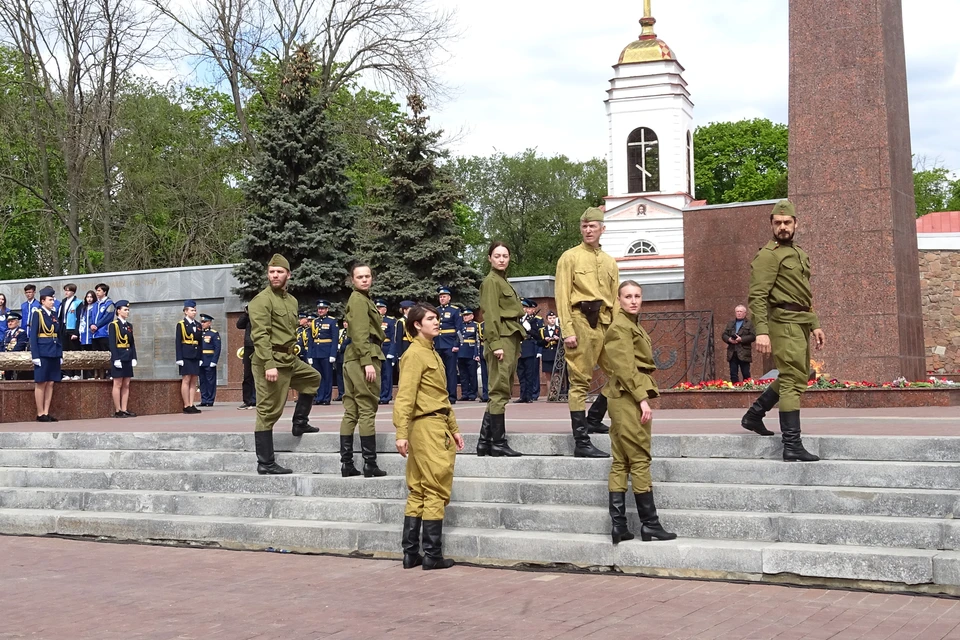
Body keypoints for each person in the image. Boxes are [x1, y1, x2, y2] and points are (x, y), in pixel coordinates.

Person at [741, 200, 825, 462]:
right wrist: (762, 331)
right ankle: (792, 444)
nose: (783, 227)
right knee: (791, 379)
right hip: (783, 322)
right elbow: (757, 296)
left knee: (799, 376)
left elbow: (803, 294)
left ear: (796, 223)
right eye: (778, 223)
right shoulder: (768, 255)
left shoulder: (799, 253)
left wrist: (815, 324)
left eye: (787, 222)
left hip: (800, 321)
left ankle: (754, 415)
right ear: (771, 225)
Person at [602, 280, 676, 544]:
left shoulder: (631, 325)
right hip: (628, 396)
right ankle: (650, 524)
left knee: (621, 461)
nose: (633, 300)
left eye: (637, 296)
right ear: (618, 300)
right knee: (640, 459)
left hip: (625, 395)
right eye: (627, 296)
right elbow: (624, 367)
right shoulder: (620, 327)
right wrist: (642, 399)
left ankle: (620, 527)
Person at [395, 303, 465, 571]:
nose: (437, 322)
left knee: (419, 489)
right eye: (431, 319)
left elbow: (441, 396)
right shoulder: (415, 354)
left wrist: (455, 428)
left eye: (437, 318)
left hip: (434, 424)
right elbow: (406, 396)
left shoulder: (431, 353)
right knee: (434, 487)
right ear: (417, 325)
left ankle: (411, 553)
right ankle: (432, 555)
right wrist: (401, 432)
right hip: (427, 427)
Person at [248, 254, 322, 474]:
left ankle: (299, 422)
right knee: (268, 411)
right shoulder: (261, 300)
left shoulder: (291, 301)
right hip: (269, 362)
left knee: (313, 379)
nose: (275, 275)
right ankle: (265, 463)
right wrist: (269, 364)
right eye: (271, 272)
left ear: (288, 275)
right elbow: (260, 335)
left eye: (279, 272)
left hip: (289, 359)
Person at [554, 207, 618, 458]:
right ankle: (581, 440)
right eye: (584, 226)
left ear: (603, 228)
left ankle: (594, 418)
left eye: (593, 226)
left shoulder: (610, 261)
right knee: (580, 381)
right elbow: (561, 296)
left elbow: (614, 297)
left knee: (618, 374)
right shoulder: (569, 257)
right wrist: (567, 329)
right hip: (580, 320)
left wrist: (617, 330)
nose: (588, 230)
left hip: (605, 322)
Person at [340, 264, 387, 478]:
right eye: (360, 277)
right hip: (363, 355)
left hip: (353, 356)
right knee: (367, 408)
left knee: (351, 410)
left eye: (367, 276)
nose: (365, 280)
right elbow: (360, 332)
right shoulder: (359, 300)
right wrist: (367, 360)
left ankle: (347, 463)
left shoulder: (361, 299)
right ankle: (370, 463)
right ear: (352, 280)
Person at [476, 241, 522, 457]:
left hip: (510, 336)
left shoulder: (503, 281)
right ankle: (498, 443)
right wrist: (495, 344)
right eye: (497, 255)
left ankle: (485, 442)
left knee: (501, 390)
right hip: (501, 338)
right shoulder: (491, 282)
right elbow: (491, 315)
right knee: (499, 391)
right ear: (489, 258)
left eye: (505, 255)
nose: (502, 259)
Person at [29, 287, 61, 422]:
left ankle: (47, 412)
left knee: (51, 383)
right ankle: (40, 413)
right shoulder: (38, 314)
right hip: (42, 352)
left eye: (53, 299)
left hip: (54, 352)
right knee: (41, 383)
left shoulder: (53, 315)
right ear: (43, 301)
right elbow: (33, 336)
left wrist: (60, 355)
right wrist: (35, 355)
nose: (52, 301)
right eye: (50, 299)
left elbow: (58, 336)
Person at [108, 300, 138, 418]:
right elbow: (112, 343)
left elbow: (132, 343)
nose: (127, 312)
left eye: (128, 309)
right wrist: (116, 358)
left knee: (126, 383)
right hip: (119, 356)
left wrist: (134, 357)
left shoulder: (129, 326)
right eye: (125, 309)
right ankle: (118, 409)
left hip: (127, 356)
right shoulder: (114, 325)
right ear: (118, 311)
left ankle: (124, 409)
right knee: (118, 383)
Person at [433, 287, 463, 403]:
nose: (442, 298)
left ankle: (452, 396)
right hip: (438, 344)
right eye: (440, 297)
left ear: (449, 298)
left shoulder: (455, 310)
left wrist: (456, 344)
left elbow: (459, 330)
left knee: (450, 371)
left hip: (450, 345)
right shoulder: (436, 311)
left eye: (444, 296)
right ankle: (441, 395)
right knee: (439, 372)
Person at [175, 300, 203, 414]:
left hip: (195, 355)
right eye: (192, 310)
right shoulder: (181, 324)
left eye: (195, 310)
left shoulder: (198, 325)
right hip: (186, 355)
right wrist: (179, 358)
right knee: (186, 379)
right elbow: (178, 342)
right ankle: (186, 405)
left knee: (194, 380)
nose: (194, 312)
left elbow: (200, 342)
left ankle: (192, 404)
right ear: (186, 311)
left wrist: (201, 357)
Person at [310, 300, 338, 405]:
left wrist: (333, 354)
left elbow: (335, 339)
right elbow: (311, 339)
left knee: (327, 376)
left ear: (327, 310)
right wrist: (310, 355)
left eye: (322, 309)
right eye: (319, 309)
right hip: (316, 352)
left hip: (327, 352)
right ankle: (319, 397)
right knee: (318, 376)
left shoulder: (332, 321)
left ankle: (326, 398)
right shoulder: (315, 321)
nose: (320, 311)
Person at [516, 299, 543, 403]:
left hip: (529, 348)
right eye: (523, 307)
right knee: (521, 374)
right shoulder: (517, 320)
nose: (524, 309)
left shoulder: (534, 320)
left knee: (529, 374)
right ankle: (522, 396)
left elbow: (538, 336)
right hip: (519, 348)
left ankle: (529, 396)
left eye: (526, 307)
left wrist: (529, 329)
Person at [722, 305, 756, 382]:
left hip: (744, 352)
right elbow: (724, 335)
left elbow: (753, 336)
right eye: (737, 311)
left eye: (741, 311)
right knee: (733, 374)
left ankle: (747, 390)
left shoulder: (749, 324)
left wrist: (741, 339)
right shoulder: (730, 323)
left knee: (746, 374)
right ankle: (735, 389)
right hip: (732, 352)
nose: (739, 313)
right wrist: (729, 339)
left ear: (745, 313)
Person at [89, 283, 115, 379]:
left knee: (106, 354)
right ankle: (98, 374)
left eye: (99, 290)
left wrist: (97, 325)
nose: (97, 292)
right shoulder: (95, 304)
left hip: (104, 333)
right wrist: (91, 324)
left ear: (104, 292)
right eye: (96, 290)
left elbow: (107, 317)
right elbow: (91, 316)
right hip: (95, 334)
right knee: (96, 355)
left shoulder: (109, 304)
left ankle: (109, 373)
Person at [235, 305, 257, 409]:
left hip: (260, 346)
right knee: (248, 375)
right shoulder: (247, 317)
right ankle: (248, 400)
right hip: (249, 346)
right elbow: (239, 325)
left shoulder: (262, 315)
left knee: (260, 374)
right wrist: (246, 314)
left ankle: (259, 399)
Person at [58, 284, 81, 380]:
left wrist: (76, 332)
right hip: (64, 328)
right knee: (65, 350)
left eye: (68, 290)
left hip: (72, 329)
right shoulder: (63, 301)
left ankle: (76, 373)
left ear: (73, 292)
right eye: (65, 290)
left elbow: (79, 318)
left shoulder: (78, 302)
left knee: (74, 351)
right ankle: (67, 373)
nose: (66, 292)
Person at [456, 308, 480, 401]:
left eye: (467, 315)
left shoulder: (475, 326)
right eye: (464, 316)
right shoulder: (460, 326)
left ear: (472, 316)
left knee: (472, 375)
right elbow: (457, 339)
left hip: (470, 353)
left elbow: (477, 341)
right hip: (461, 353)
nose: (465, 317)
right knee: (463, 375)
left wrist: (476, 354)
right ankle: (464, 393)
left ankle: (473, 394)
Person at [198, 313, 222, 407]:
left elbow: (217, 348)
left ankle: (210, 400)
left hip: (209, 360)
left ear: (209, 323)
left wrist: (214, 361)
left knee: (210, 381)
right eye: (202, 322)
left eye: (204, 322)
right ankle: (204, 400)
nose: (202, 323)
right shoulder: (199, 333)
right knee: (202, 381)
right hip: (201, 360)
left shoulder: (213, 333)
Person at [377, 299, 397, 405]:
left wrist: (392, 352)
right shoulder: (372, 320)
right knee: (377, 374)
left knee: (386, 374)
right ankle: (378, 395)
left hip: (386, 348)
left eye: (380, 308)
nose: (378, 310)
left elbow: (394, 337)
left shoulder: (390, 320)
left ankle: (386, 396)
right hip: (376, 349)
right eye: (377, 308)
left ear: (385, 309)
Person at [540, 311, 566, 394]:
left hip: (556, 354)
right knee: (548, 375)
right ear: (547, 320)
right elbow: (538, 342)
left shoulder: (560, 329)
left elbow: (564, 341)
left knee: (557, 374)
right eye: (550, 318)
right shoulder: (542, 330)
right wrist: (545, 340)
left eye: (554, 318)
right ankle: (550, 394)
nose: (552, 320)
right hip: (547, 354)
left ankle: (557, 392)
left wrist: (558, 339)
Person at [77, 290, 97, 379]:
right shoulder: (83, 308)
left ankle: (92, 374)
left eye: (91, 297)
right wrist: (80, 334)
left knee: (92, 355)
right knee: (84, 356)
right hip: (84, 335)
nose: (89, 299)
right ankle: (85, 375)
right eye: (87, 297)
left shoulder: (95, 307)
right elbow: (81, 321)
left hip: (92, 335)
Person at [3, 311, 28, 380]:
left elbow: (20, 346)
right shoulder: (7, 333)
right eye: (8, 322)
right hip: (5, 359)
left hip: (16, 359)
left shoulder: (21, 333)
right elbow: (3, 346)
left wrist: (9, 356)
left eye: (12, 321)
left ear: (17, 322)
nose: (10, 323)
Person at [335, 320, 349, 402]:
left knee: (347, 376)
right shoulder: (340, 331)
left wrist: (342, 347)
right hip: (339, 356)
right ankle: (341, 393)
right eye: (344, 322)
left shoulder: (351, 332)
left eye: (346, 322)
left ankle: (347, 393)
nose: (345, 324)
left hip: (347, 354)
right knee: (339, 375)